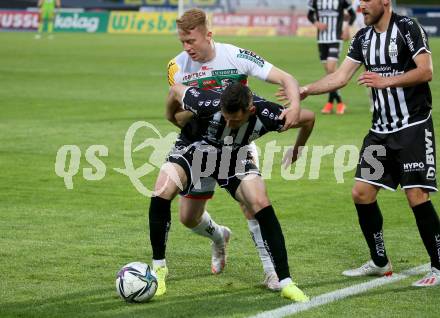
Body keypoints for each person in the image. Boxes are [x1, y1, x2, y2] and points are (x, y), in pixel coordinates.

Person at [300, 0, 440, 287]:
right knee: (362, 193)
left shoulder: (407, 28)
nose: (361, 6)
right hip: (380, 132)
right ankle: (379, 261)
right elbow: (340, 77)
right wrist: (305, 90)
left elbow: (426, 71)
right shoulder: (362, 37)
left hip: (412, 126)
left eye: (366, 1)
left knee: (416, 197)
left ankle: (439, 266)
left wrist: (386, 82)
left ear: (384, 1)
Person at [164, 8, 301, 291]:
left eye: (191, 41)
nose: (186, 48)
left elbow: (287, 79)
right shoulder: (176, 67)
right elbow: (177, 115)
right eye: (183, 42)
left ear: (208, 35)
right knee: (188, 218)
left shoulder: (237, 56)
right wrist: (204, 115)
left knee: (253, 204)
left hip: (238, 145)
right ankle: (219, 236)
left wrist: (295, 108)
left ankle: (271, 271)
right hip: (200, 148)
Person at [150, 81, 315, 301]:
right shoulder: (203, 102)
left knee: (260, 202)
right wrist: (171, 117)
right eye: (225, 117)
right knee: (162, 191)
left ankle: (285, 281)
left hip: (233, 157)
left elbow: (309, 118)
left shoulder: (269, 114)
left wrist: (298, 149)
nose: (229, 122)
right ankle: (159, 268)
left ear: (251, 110)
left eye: (235, 120)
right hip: (195, 149)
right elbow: (174, 90)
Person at [307, 0, 356, 114]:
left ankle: (336, 103)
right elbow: (310, 14)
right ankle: (333, 103)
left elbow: (352, 13)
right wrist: (316, 23)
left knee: (330, 68)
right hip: (322, 39)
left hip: (336, 38)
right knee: (330, 74)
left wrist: (347, 28)